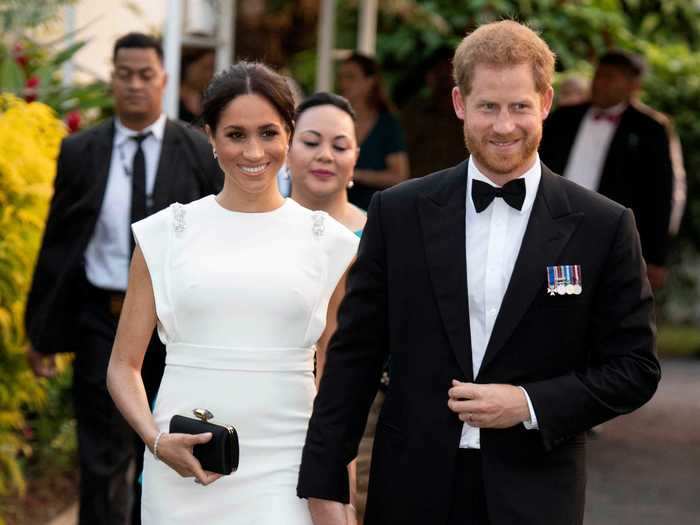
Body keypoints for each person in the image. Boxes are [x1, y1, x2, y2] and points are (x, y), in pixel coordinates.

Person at [297, 20, 660, 525]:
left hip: (535, 495)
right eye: (488, 106)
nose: (504, 125)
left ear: (547, 103)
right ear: (460, 104)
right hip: (411, 489)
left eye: (519, 107)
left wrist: (528, 402)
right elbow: (355, 354)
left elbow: (634, 370)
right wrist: (324, 480)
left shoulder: (604, 226)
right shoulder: (399, 212)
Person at [106, 62, 359, 524]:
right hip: (182, 465)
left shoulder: (332, 244)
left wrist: (341, 492)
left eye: (268, 133)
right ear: (211, 137)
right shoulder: (164, 234)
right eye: (236, 135)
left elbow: (338, 385)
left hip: (288, 467)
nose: (253, 151)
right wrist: (156, 441)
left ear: (288, 133)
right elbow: (123, 366)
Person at [24, 32, 222, 525]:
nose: (134, 85)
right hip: (101, 320)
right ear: (112, 78)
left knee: (159, 447)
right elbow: (59, 242)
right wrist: (41, 333)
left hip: (175, 330)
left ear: (163, 80)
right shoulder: (81, 151)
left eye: (145, 75)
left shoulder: (197, 151)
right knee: (99, 454)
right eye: (124, 74)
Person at [540, 50, 676, 290]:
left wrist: (656, 257)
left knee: (608, 303)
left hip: (612, 232)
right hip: (560, 226)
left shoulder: (650, 129)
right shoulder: (564, 118)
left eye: (610, 77)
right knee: (562, 297)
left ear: (633, 85)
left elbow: (660, 194)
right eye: (598, 76)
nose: (600, 83)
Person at [337, 53, 409, 210]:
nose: (343, 83)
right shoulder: (334, 120)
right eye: (341, 77)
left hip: (375, 213)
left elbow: (399, 176)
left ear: (370, 82)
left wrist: (355, 174)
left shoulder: (387, 124)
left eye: (351, 77)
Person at [178, 47, 216, 124]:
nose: (210, 74)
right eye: (205, 68)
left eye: (213, 69)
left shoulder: (209, 101)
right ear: (188, 66)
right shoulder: (170, 99)